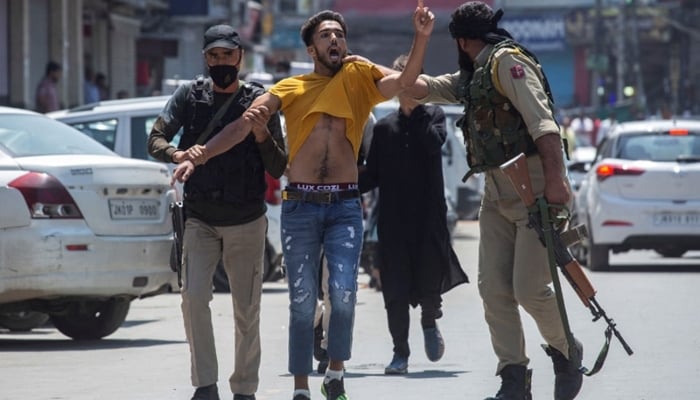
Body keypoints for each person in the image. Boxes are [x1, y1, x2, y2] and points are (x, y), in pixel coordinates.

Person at [172, 4, 435, 400]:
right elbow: (242, 126)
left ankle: (334, 373)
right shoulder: (288, 89)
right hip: (300, 207)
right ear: (311, 50)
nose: (335, 40)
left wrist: (422, 37)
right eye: (326, 35)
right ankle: (300, 387)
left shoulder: (359, 79)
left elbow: (407, 83)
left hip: (345, 207)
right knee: (301, 301)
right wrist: (200, 154)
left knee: (343, 294)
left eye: (339, 35)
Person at [394, 2, 584, 399]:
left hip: (533, 189)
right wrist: (406, 46)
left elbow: (543, 123)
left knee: (529, 288)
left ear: (462, 40)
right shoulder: (474, 75)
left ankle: (566, 352)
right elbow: (413, 85)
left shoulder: (506, 64)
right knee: (494, 289)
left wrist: (556, 182)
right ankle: (513, 377)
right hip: (497, 191)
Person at [147, 24, 287, 400]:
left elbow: (278, 166)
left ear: (240, 57)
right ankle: (205, 385)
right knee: (193, 298)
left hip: (246, 219)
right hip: (200, 218)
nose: (221, 62)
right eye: (214, 56)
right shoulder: (189, 97)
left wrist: (260, 134)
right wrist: (177, 154)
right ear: (205, 59)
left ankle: (244, 388)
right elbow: (155, 138)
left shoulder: (260, 101)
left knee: (247, 309)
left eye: (227, 55)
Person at [358, 54, 469, 376]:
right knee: (394, 290)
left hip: (429, 220)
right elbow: (373, 175)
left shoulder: (434, 116)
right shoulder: (383, 128)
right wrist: (342, 181)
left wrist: (414, 111)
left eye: (414, 79)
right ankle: (400, 353)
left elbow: (433, 144)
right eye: (402, 80)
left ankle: (429, 321)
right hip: (392, 222)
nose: (408, 85)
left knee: (428, 282)